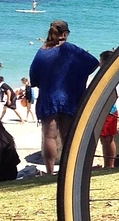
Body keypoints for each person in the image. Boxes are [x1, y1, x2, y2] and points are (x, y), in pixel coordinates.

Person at [28, 20, 98, 177]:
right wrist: (74, 75)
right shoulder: (71, 49)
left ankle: (50, 171)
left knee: (49, 136)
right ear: (65, 34)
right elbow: (93, 63)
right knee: (68, 136)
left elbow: (34, 78)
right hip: (69, 97)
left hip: (48, 98)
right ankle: (69, 170)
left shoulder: (41, 51)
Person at [96, 51, 119, 170]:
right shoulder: (111, 74)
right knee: (105, 138)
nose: (99, 64)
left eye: (101, 61)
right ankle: (108, 164)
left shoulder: (109, 75)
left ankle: (109, 165)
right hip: (108, 109)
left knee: (107, 139)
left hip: (108, 110)